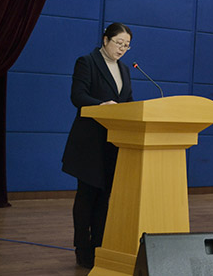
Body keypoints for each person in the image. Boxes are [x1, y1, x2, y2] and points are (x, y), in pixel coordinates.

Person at [61, 23, 134, 269]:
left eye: (126, 45)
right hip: (89, 142)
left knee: (105, 198)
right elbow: (78, 96)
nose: (122, 49)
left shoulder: (125, 69)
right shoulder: (87, 62)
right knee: (87, 196)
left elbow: (128, 102)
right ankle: (83, 250)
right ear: (105, 40)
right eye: (118, 43)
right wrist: (101, 105)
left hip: (112, 143)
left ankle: (99, 247)